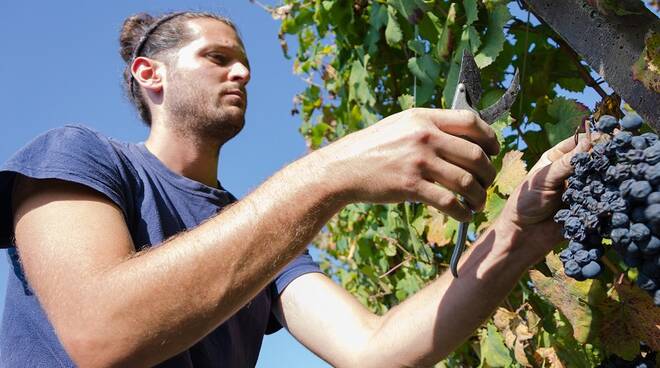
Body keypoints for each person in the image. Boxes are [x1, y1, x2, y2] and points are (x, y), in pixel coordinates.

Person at [0, 11, 588, 368]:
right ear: (149, 73)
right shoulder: (78, 155)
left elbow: (374, 348)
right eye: (217, 57)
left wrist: (515, 234)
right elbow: (102, 335)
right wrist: (331, 172)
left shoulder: (264, 242)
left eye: (246, 61)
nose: (243, 72)